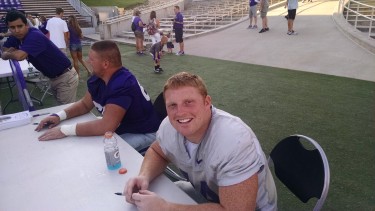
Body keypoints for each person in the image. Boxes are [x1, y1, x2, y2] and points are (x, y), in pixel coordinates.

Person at [124, 72, 277, 210]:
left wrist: (166, 208)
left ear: (207, 102)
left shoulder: (235, 140)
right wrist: (144, 176)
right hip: (207, 197)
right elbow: (157, 152)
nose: (180, 112)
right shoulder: (168, 126)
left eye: (188, 102)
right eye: (172, 105)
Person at [35, 40, 161, 152]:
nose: (88, 61)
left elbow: (106, 126)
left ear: (105, 64)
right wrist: (58, 116)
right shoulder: (99, 78)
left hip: (144, 132)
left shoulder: (122, 84)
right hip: (124, 126)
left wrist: (65, 130)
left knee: (104, 152)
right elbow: (85, 104)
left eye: (92, 59)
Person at [1, 9, 78, 105]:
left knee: (67, 112)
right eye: (12, 27)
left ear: (26, 25)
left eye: (19, 26)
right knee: (62, 109)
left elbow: (19, 56)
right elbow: (4, 48)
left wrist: (8, 54)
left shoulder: (34, 35)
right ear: (9, 28)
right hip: (54, 77)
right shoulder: (17, 36)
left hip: (65, 77)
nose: (17, 30)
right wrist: (8, 53)